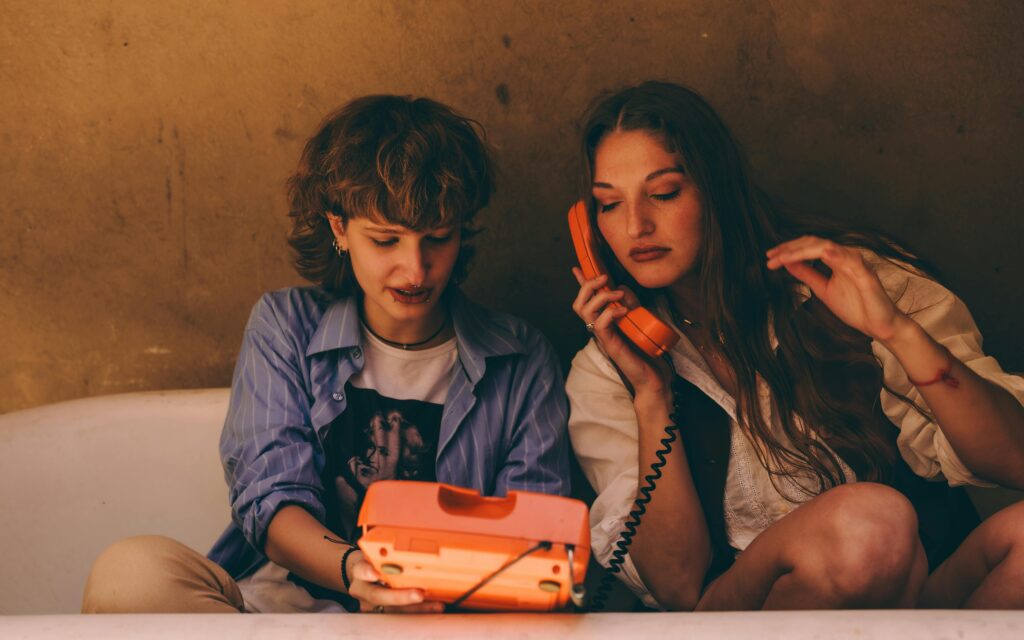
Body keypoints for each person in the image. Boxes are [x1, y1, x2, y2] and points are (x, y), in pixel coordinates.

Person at [82, 94, 570, 614]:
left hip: (436, 623)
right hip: (274, 617)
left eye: (438, 239)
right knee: (129, 576)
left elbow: (535, 550)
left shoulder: (519, 360)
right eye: (386, 241)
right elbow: (270, 497)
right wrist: (355, 570)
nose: (416, 270)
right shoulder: (285, 326)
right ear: (339, 227)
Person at [566, 81, 1024, 611]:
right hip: (748, 611)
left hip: (917, 596)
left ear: (718, 190)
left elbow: (1013, 461)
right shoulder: (606, 369)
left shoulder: (854, 284)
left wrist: (897, 331)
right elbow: (678, 588)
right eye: (607, 204)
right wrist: (652, 395)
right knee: (869, 527)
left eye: (664, 194)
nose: (636, 227)